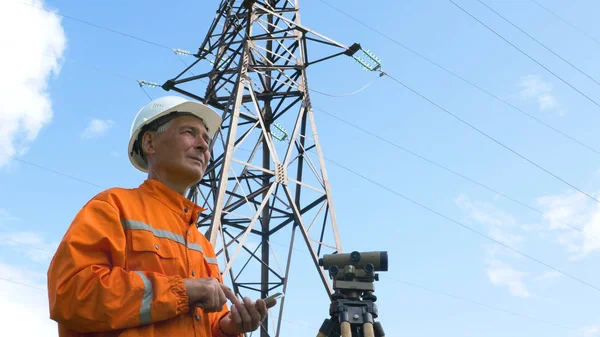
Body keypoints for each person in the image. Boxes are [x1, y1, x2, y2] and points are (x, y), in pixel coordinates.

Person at [47, 95, 275, 337]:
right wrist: (182, 291)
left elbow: (206, 324)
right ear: (149, 143)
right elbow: (72, 294)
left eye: (207, 140)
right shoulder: (113, 207)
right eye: (190, 132)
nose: (204, 146)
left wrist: (228, 327)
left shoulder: (203, 245)